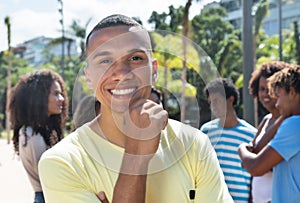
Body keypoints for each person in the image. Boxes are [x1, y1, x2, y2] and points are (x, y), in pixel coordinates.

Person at [38, 14, 233, 203]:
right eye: (105, 61)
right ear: (89, 76)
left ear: (154, 70)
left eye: (135, 59)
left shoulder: (194, 144)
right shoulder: (62, 162)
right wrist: (137, 154)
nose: (122, 73)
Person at [238, 65, 300, 203]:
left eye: (278, 96)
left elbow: (255, 167)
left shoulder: (294, 124)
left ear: (292, 92)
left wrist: (241, 149)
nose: (277, 104)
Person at [9, 69, 68, 203]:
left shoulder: (45, 130)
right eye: (56, 94)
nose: (62, 99)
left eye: (61, 93)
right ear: (39, 97)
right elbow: (49, 177)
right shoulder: (31, 134)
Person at [200, 78, 257, 203]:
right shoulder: (206, 131)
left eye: (216, 101)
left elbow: (255, 175)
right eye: (210, 103)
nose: (213, 106)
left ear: (230, 99)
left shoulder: (251, 134)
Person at [247, 61, 290, 203]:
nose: (265, 94)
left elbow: (259, 162)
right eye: (261, 89)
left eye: (270, 89)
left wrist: (248, 154)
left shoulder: (288, 122)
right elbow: (253, 155)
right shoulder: (266, 120)